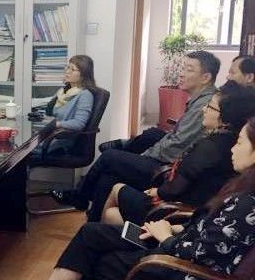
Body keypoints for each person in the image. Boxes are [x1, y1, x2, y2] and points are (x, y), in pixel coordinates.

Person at [0, 117, 255, 280]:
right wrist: (174, 229)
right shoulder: (244, 189)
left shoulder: (247, 204)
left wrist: (166, 236)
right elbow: (210, 234)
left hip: (182, 276)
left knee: (87, 264)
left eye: (240, 142)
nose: (232, 148)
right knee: (91, 233)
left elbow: (203, 255)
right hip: (176, 249)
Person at [52, 50, 219, 221]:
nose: (181, 73)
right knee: (111, 174)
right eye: (183, 68)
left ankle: (79, 196)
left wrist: (146, 155)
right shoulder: (199, 100)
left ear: (205, 77)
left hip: (170, 170)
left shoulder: (204, 106)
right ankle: (93, 220)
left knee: (110, 157)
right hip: (171, 163)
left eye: (189, 69)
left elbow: (177, 144)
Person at [102, 83, 255, 226]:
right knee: (110, 192)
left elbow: (176, 187)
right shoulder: (224, 140)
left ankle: (96, 228)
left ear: (225, 118)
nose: (204, 109)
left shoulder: (210, 147)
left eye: (210, 107)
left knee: (116, 186)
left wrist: (158, 191)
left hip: (176, 210)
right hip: (184, 204)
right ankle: (98, 228)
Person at [27, 55, 95, 164]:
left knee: (22, 155)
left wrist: (56, 124)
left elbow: (79, 123)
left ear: (83, 74)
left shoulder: (85, 95)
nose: (67, 71)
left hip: (64, 141)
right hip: (51, 137)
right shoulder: (64, 92)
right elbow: (51, 113)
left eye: (72, 69)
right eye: (67, 67)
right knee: (21, 150)